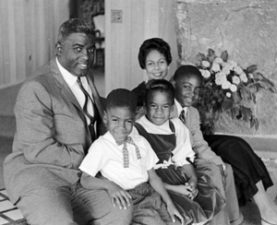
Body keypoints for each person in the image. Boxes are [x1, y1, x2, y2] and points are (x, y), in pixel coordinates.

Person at [3, 18, 132, 225]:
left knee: (121, 210)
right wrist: (94, 157)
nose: (86, 57)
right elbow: (37, 150)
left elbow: (91, 109)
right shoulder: (36, 88)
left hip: (79, 176)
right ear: (59, 48)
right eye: (78, 49)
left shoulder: (83, 75)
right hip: (41, 172)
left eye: (91, 50)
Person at [171, 65, 277, 225]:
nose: (192, 94)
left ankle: (244, 217)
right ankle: (256, 215)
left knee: (230, 161)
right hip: (178, 160)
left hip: (192, 151)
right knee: (216, 168)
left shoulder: (192, 112)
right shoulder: (164, 108)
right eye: (187, 87)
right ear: (174, 83)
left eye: (197, 90)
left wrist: (218, 162)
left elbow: (199, 143)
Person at [79, 88, 182, 225]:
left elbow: (153, 177)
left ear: (134, 120)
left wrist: (170, 204)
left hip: (150, 195)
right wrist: (110, 186)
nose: (121, 127)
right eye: (115, 120)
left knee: (175, 222)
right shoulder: (102, 146)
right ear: (105, 118)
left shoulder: (141, 142)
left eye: (128, 121)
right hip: (129, 198)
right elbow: (85, 179)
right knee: (154, 221)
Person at [135, 79, 227, 225]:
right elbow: (142, 175)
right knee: (181, 214)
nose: (159, 112)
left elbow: (183, 159)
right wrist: (177, 189)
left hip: (176, 175)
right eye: (154, 106)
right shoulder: (137, 130)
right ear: (145, 106)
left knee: (206, 196)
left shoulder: (176, 126)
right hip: (153, 182)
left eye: (165, 107)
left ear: (172, 108)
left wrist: (193, 181)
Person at [132, 37, 172, 108]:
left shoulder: (174, 92)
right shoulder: (135, 97)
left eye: (161, 62)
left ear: (168, 63)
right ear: (144, 66)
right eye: (151, 63)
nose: (157, 67)